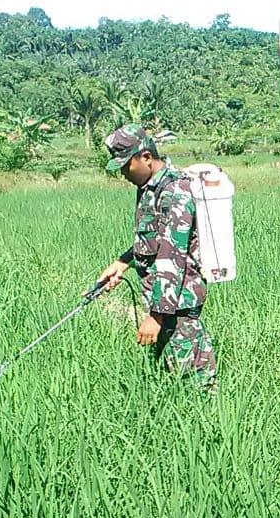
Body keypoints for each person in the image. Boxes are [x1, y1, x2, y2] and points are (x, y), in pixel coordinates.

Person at [91, 124, 217, 389]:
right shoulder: (148, 187)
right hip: (162, 300)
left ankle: (214, 425)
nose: (124, 174)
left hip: (179, 302)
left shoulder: (176, 191)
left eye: (127, 166)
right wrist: (122, 262)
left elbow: (173, 256)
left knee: (197, 382)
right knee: (169, 376)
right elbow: (152, 240)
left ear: (146, 157)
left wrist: (155, 317)